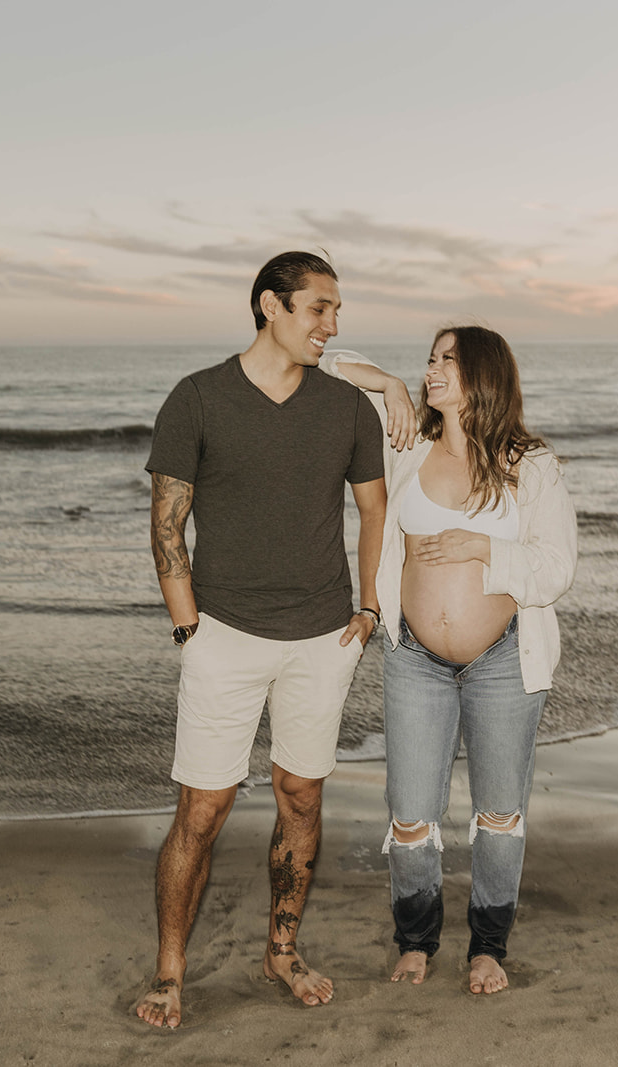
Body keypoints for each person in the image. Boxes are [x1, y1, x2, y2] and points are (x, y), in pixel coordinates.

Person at [134, 251, 415, 1029]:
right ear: (270, 306)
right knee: (203, 808)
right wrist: (189, 625)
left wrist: (367, 609)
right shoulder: (196, 400)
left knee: (301, 797)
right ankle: (169, 972)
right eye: (318, 309)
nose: (330, 325)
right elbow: (166, 524)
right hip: (223, 632)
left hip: (322, 636)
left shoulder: (346, 409)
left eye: (336, 313)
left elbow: (375, 511)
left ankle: (281, 953)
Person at [374, 325, 577, 995]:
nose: (433, 369)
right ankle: (416, 938)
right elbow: (324, 370)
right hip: (415, 659)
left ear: (482, 376)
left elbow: (555, 569)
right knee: (409, 814)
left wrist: (479, 547)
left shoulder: (529, 463)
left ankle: (488, 947)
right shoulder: (406, 445)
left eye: (448, 361)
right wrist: (388, 385)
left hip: (501, 660)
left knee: (498, 812)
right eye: (429, 358)